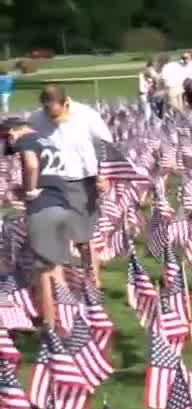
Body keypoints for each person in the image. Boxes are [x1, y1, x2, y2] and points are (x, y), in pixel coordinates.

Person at [28, 85, 113, 288]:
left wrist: (104, 175)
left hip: (81, 183)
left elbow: (106, 145)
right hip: (49, 185)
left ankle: (93, 282)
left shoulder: (86, 115)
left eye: (55, 112)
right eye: (47, 112)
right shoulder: (35, 119)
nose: (51, 118)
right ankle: (61, 288)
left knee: (83, 238)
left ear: (66, 103)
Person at [3, 117, 81, 335]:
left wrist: (29, 191)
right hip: (62, 207)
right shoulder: (48, 141)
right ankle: (70, 323)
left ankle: (51, 326)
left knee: (44, 273)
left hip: (43, 210)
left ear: (12, 133)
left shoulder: (26, 140)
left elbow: (32, 164)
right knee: (56, 269)